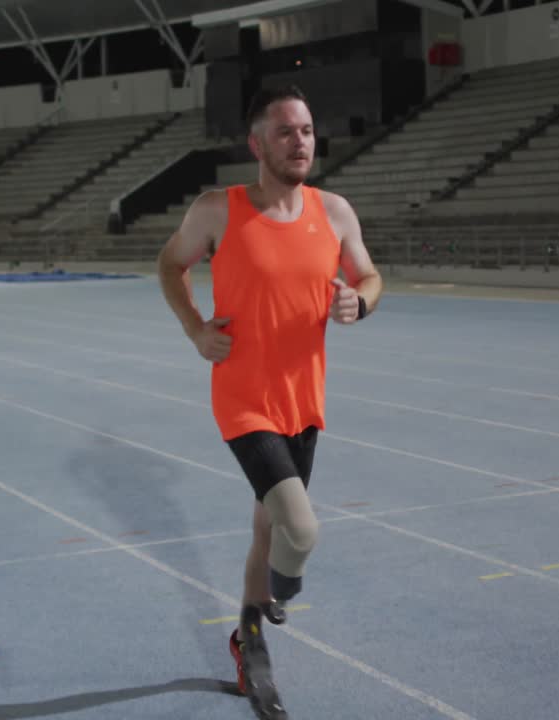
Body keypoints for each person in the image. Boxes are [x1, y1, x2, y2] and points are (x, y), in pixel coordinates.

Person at [156, 84, 382, 717]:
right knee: (299, 530)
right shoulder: (217, 210)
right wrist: (195, 328)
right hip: (244, 401)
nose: (300, 140)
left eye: (307, 129)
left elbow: (370, 275)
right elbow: (170, 266)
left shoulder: (335, 212)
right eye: (286, 131)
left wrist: (359, 301)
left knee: (267, 527)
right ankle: (283, 587)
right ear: (257, 144)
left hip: (304, 404)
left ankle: (248, 643)